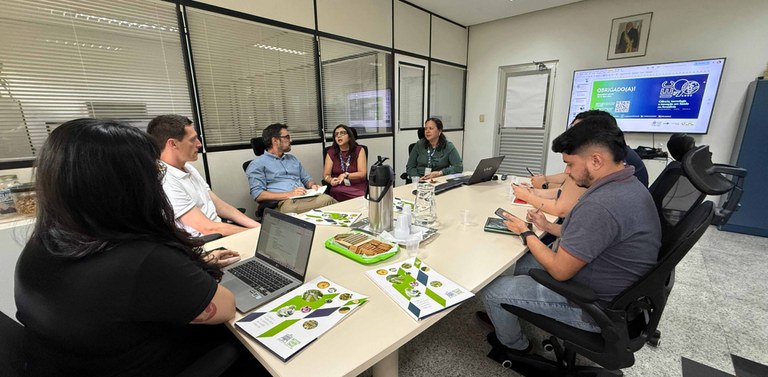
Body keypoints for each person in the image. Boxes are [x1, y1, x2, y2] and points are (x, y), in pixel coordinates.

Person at [14, 119, 266, 376]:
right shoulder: (142, 259)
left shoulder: (40, 246)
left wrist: (196, 264)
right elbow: (223, 306)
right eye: (152, 172)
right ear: (129, 184)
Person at [479, 116, 661, 355]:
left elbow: (560, 270)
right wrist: (548, 226)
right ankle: (518, 310)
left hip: (596, 307)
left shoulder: (602, 204)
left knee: (492, 291)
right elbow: (593, 235)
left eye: (569, 164)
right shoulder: (627, 183)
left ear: (596, 160)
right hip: (616, 290)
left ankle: (516, 347)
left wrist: (525, 232)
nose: (566, 172)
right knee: (525, 262)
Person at [147, 115, 260, 237]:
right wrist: (257, 234)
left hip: (219, 232)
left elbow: (219, 205)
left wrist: (258, 227)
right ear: (173, 144)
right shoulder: (166, 180)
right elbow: (207, 228)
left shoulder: (188, 168)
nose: (199, 144)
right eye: (192, 139)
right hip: (205, 243)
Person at [530, 110, 648, 190]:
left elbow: (569, 199)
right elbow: (570, 178)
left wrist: (544, 185)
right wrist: (545, 179)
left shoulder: (613, 164)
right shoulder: (616, 155)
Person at [246, 123, 337, 213]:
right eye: (287, 137)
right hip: (284, 203)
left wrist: (312, 185)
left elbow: (306, 178)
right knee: (328, 202)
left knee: (327, 199)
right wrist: (290, 194)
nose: (291, 140)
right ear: (275, 141)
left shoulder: (292, 159)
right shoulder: (257, 164)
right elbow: (258, 195)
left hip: (306, 196)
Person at [323, 124, 367, 202]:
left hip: (356, 186)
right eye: (336, 134)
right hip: (339, 186)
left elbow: (362, 173)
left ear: (349, 136)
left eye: (342, 133)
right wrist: (330, 180)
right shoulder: (331, 152)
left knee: (360, 196)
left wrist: (346, 175)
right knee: (334, 192)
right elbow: (326, 175)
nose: (339, 136)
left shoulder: (359, 150)